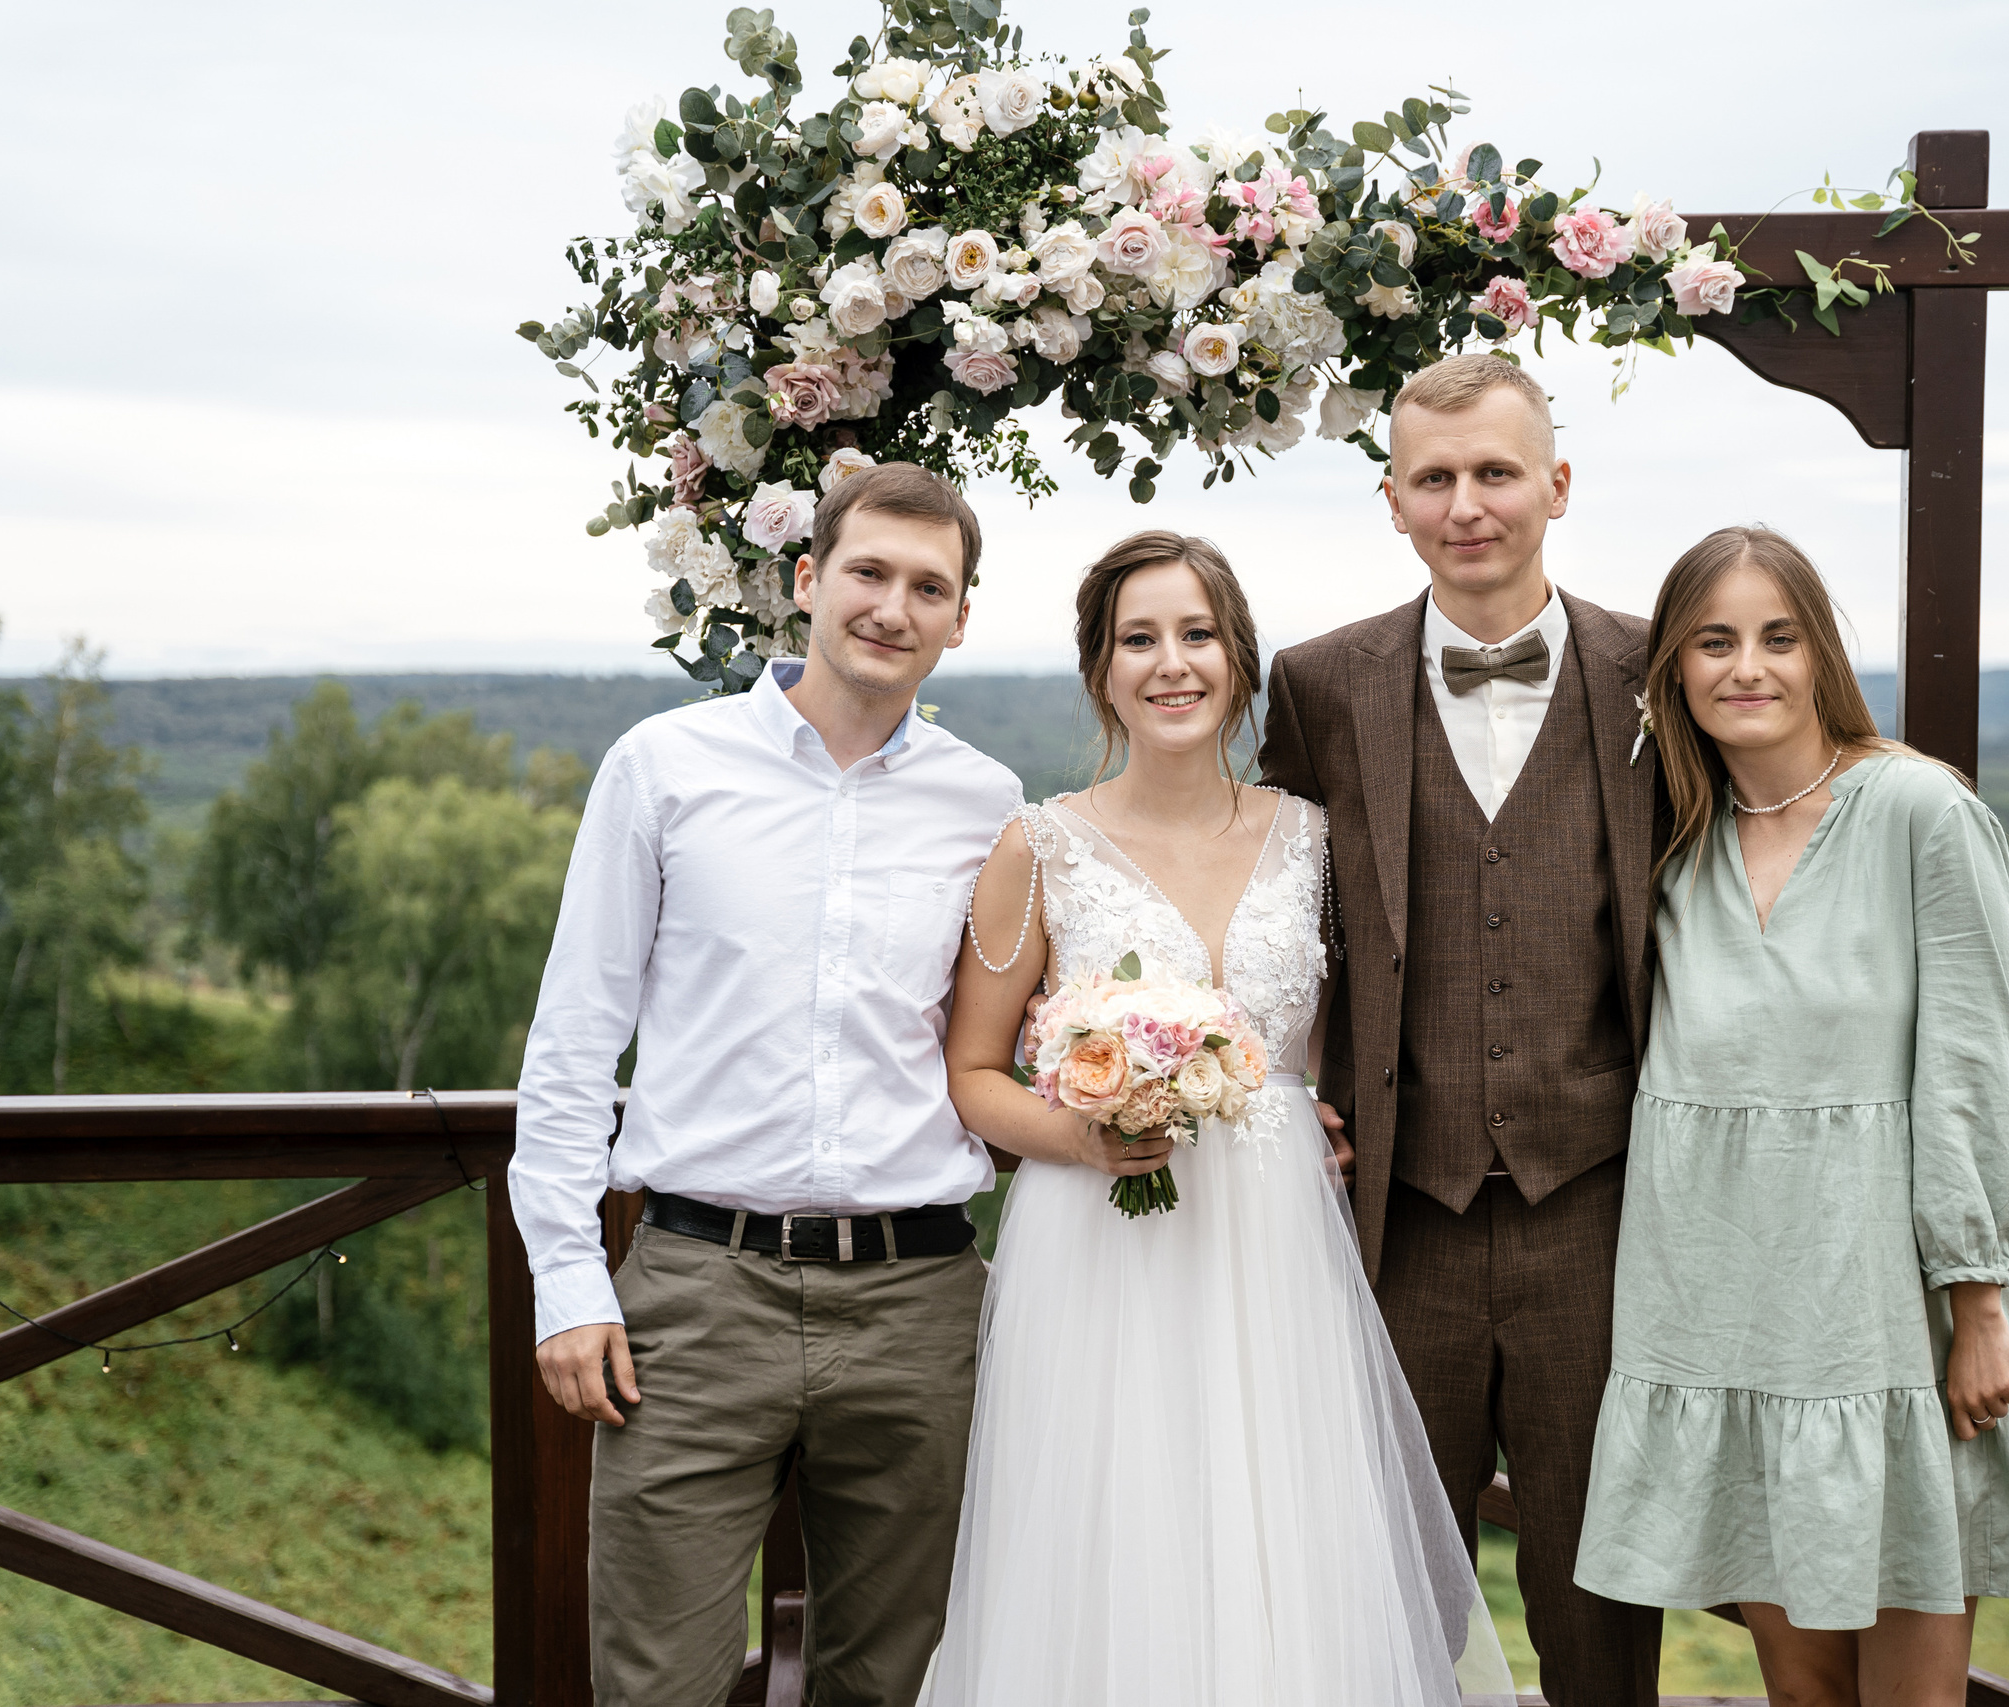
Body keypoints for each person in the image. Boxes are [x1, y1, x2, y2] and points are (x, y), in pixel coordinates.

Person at [928, 530, 1512, 1707]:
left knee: (1284, 1531)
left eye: (1196, 634)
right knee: (1111, 1527)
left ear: (1239, 661)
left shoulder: (1314, 839)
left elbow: (1346, 1033)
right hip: (1097, 1244)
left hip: (1274, 1240)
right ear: (1100, 671)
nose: (1170, 663)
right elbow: (975, 1075)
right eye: (1138, 639)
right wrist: (1083, 1133)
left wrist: (1324, 1111)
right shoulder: (1036, 850)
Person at [509, 464, 1023, 1707]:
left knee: (896, 1680)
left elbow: (1006, 1047)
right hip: (694, 1293)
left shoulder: (991, 805)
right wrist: (567, 1279)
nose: (892, 608)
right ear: (807, 581)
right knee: (654, 1679)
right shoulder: (664, 765)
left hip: (919, 1306)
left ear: (960, 618)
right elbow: (577, 1039)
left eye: (927, 587)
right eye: (867, 573)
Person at [1572, 525, 2009, 1705]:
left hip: (1881, 1318)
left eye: (1775, 637)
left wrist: (1978, 1307)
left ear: (1819, 656)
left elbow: (1965, 1069)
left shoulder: (1919, 812)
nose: (1744, 667)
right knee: (1802, 1692)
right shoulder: (1669, 845)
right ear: (1673, 674)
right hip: (1723, 1318)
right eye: (1712, 642)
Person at [1255, 352, 1667, 1705]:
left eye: (1495, 471)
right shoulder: (1319, 684)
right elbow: (1264, 898)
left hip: (1598, 1211)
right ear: (1392, 500)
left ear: (1557, 482)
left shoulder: (1652, 666)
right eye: (1435, 478)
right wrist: (1259, 1078)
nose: (1467, 503)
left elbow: (1786, 828)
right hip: (1395, 1215)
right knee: (1381, 1593)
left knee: (1600, 1598)